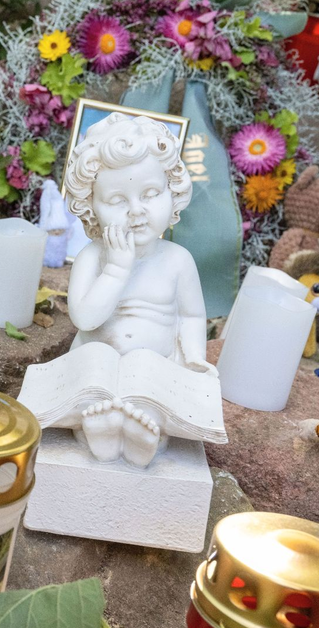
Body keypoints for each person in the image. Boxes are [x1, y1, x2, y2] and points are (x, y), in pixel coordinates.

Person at [63, 113, 215, 466]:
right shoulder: (92, 257)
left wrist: (194, 358)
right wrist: (116, 270)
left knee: (155, 391)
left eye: (150, 193)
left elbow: (192, 316)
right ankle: (99, 430)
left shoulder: (177, 260)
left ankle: (142, 435)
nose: (136, 211)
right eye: (117, 200)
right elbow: (84, 319)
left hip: (155, 371)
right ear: (91, 206)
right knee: (91, 382)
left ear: (172, 191)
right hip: (97, 368)